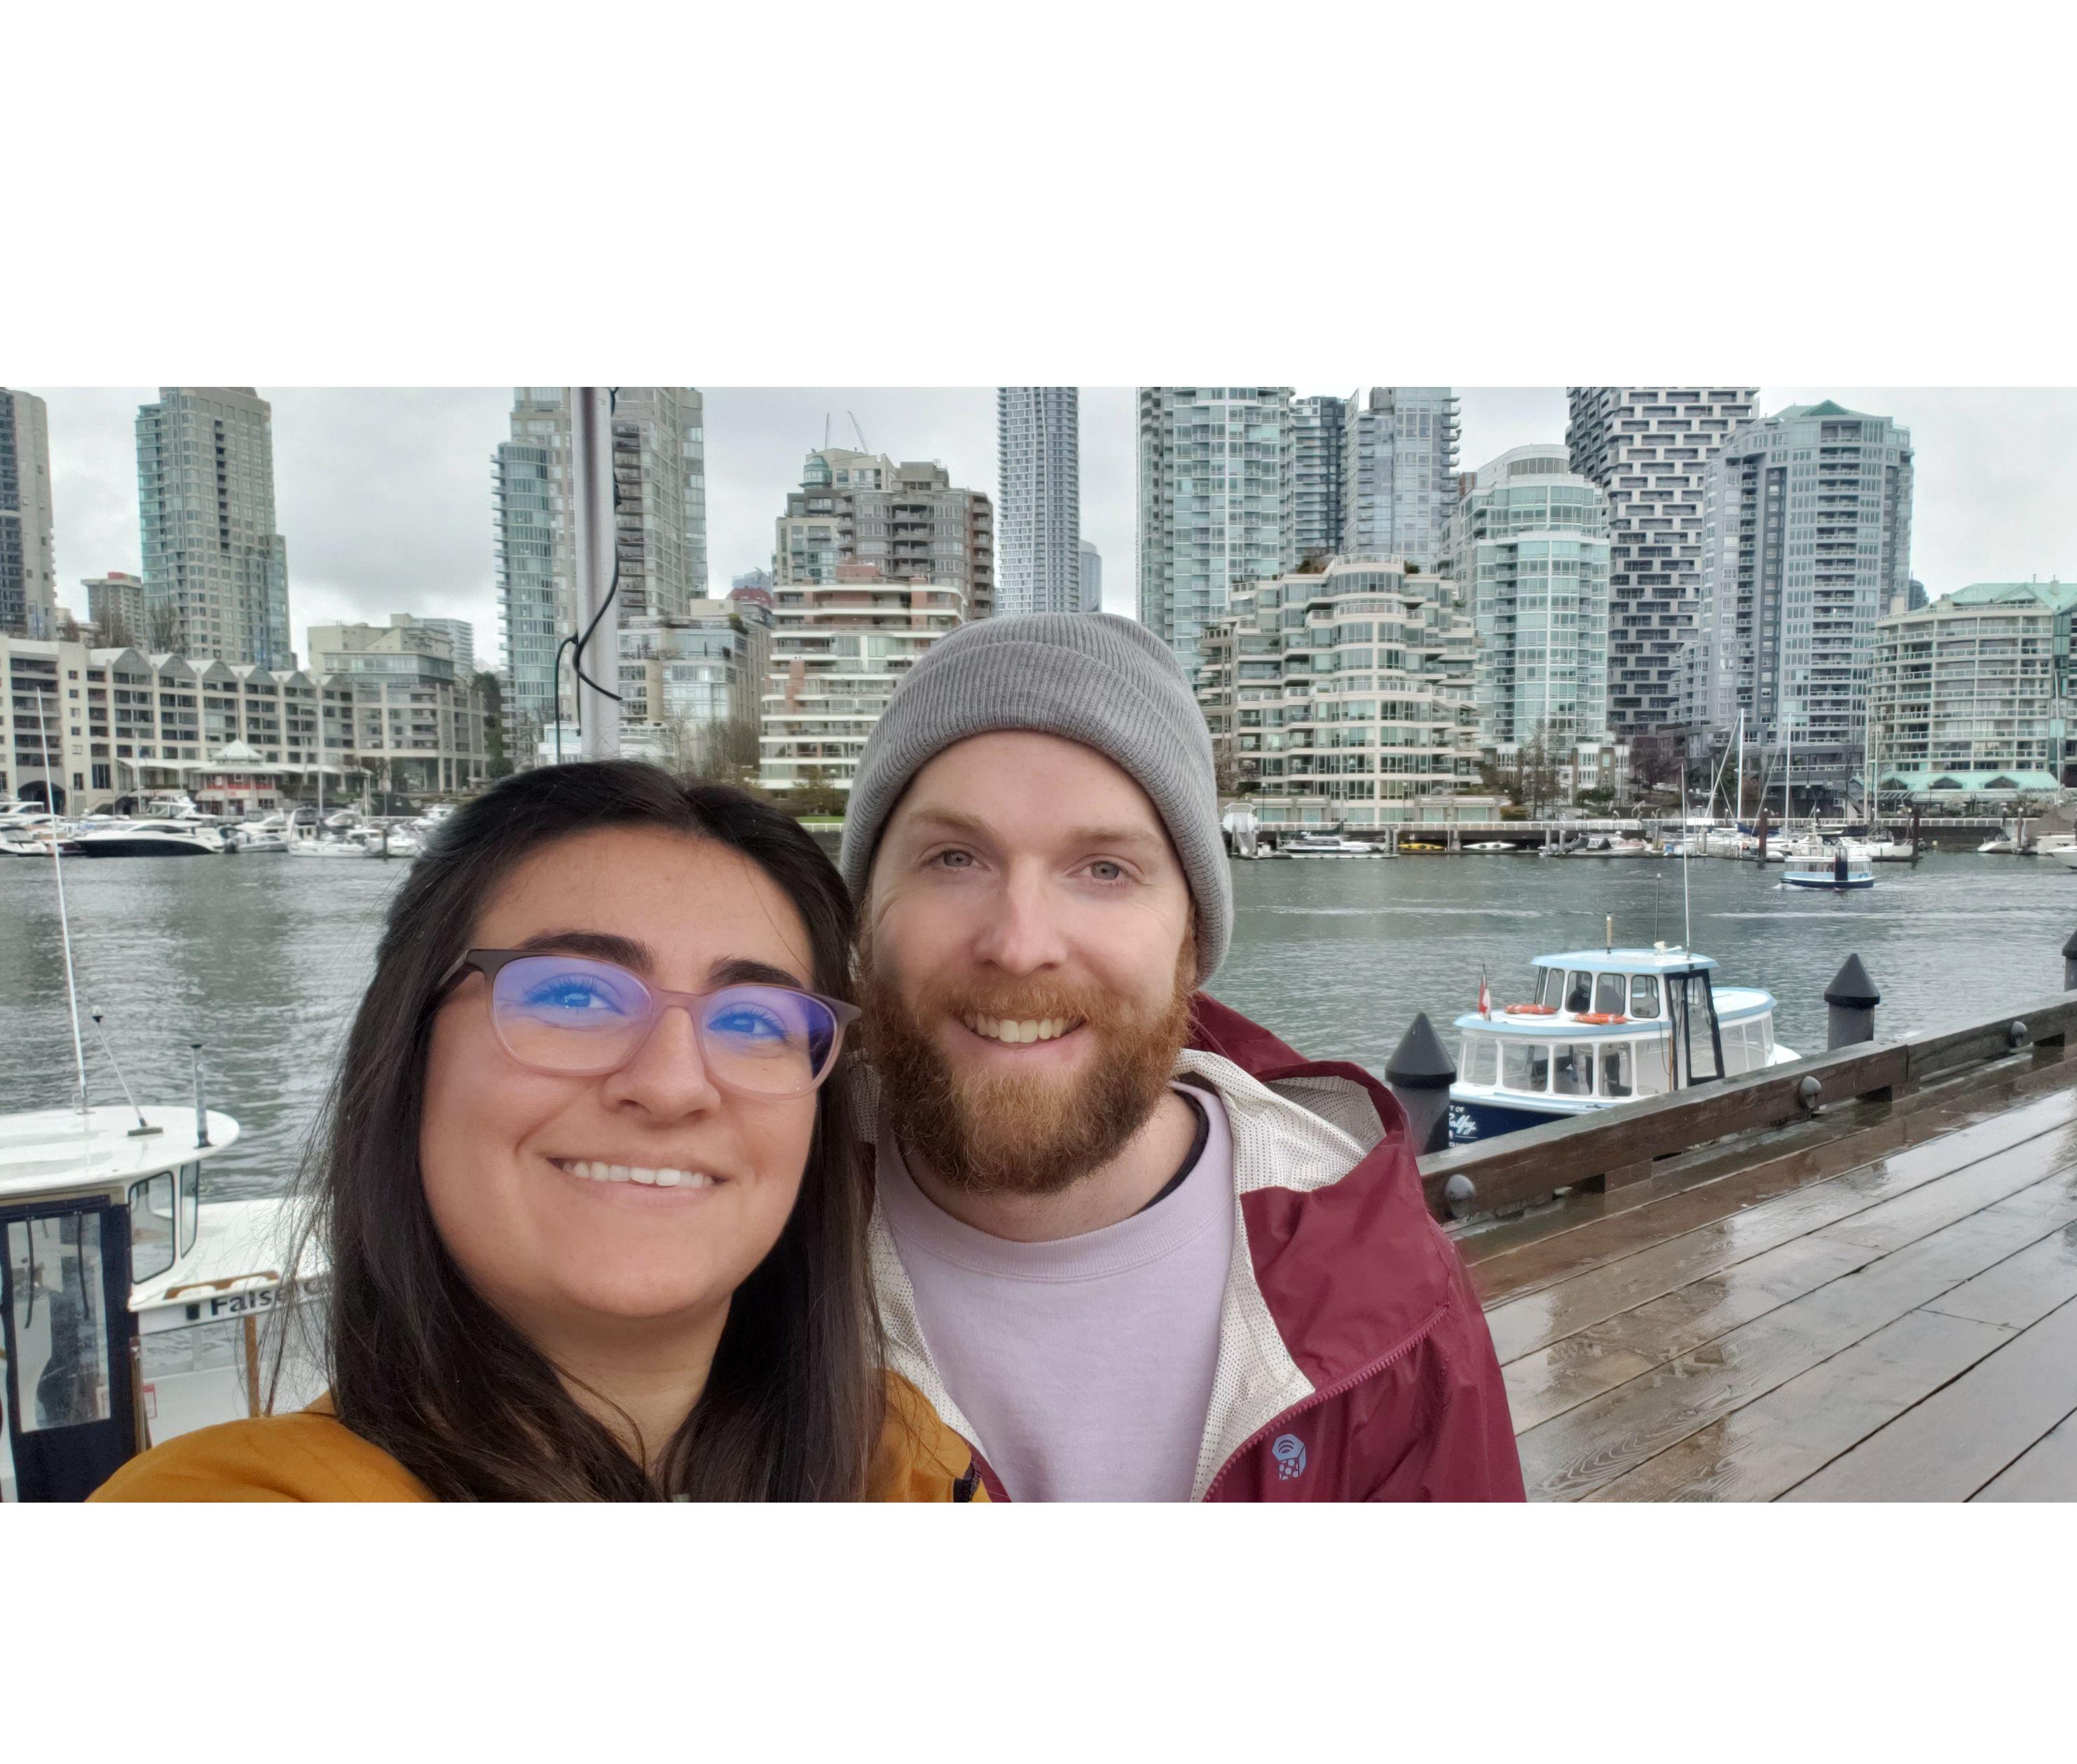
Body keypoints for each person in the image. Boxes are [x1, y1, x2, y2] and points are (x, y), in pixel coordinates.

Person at [94, 763, 980, 1502]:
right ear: (407, 1054)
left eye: (753, 1020)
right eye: (572, 994)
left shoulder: (905, 1467)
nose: (672, 1084)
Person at [841, 612, 1525, 1502]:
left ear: (1192, 943)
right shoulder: (747, 1245)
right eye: (954, 857)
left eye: (1105, 870)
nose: (1019, 944)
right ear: (863, 919)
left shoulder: (1392, 1303)